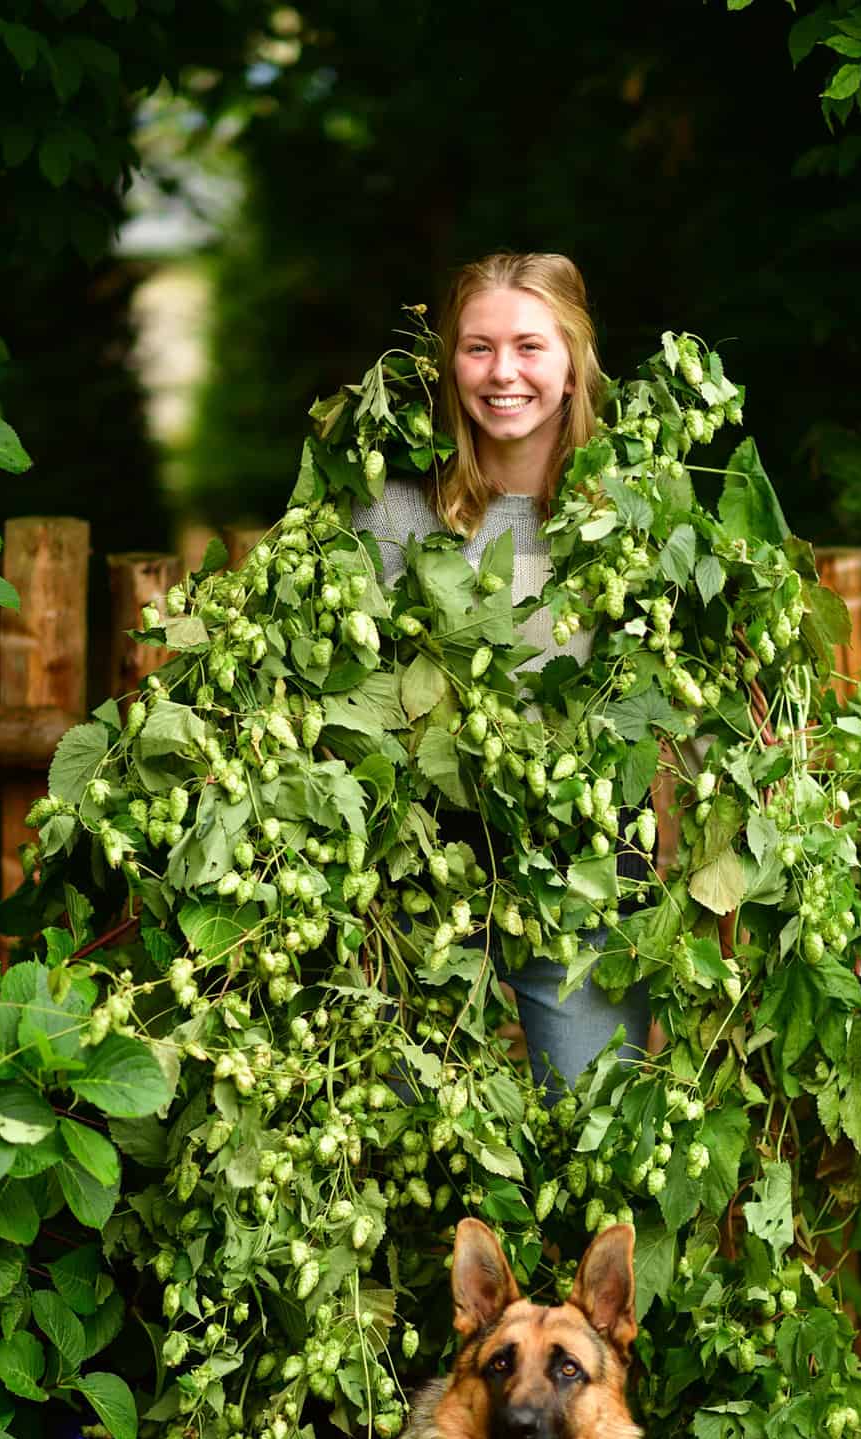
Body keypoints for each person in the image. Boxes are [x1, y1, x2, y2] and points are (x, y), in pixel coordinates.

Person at [351, 251, 651, 1095]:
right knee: (411, 1140)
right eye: (478, 348)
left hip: (586, 890)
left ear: (572, 364)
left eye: (529, 346)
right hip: (424, 890)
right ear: (450, 363)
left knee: (599, 1137)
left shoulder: (631, 514)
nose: (503, 372)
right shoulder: (394, 513)